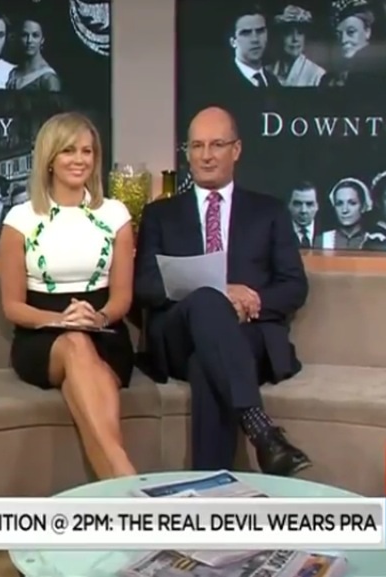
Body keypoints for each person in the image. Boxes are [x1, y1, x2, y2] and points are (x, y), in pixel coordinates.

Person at [133, 106, 310, 476]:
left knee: (206, 364)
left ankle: (210, 490)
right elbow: (145, 285)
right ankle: (261, 429)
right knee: (206, 299)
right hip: (179, 334)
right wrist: (220, 293)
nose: (206, 155)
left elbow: (294, 286)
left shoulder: (269, 211)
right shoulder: (160, 214)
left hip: (248, 335)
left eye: (216, 144)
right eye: (196, 146)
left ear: (237, 149)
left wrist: (251, 301)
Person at [0, 112, 137, 479]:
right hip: (42, 337)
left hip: (106, 333)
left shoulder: (115, 215)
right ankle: (128, 478)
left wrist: (99, 317)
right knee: (75, 343)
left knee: (85, 381)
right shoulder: (20, 219)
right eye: (69, 151)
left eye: (87, 151)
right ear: (50, 158)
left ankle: (121, 490)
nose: (80, 160)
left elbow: (122, 298)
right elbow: (13, 306)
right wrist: (61, 321)